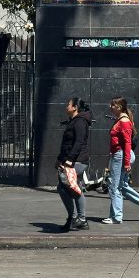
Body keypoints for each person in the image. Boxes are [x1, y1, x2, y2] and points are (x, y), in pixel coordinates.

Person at [103, 97, 139, 225]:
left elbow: (127, 143)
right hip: (120, 155)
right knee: (121, 186)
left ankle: (116, 217)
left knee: (114, 187)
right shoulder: (121, 119)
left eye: (112, 105)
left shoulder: (124, 121)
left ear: (119, 107)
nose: (110, 107)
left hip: (121, 156)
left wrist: (126, 162)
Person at [56, 97, 92, 232]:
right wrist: (60, 159)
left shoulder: (80, 122)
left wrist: (70, 159)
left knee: (65, 186)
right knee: (73, 187)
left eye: (68, 105)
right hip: (71, 160)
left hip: (78, 160)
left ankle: (78, 218)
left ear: (75, 107)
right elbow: (66, 144)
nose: (66, 107)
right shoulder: (74, 121)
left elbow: (78, 142)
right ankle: (78, 219)